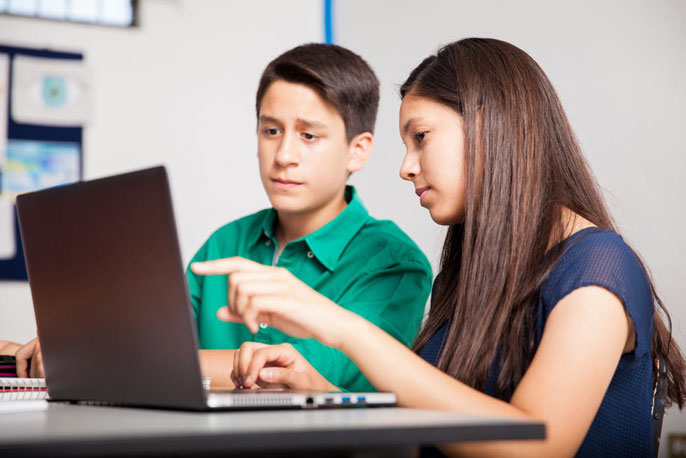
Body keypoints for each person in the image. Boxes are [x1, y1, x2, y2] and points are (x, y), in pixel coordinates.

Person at [193, 38, 686, 456]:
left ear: (492, 125)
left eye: (421, 137)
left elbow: (537, 445)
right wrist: (320, 391)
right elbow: (435, 426)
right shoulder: (479, 275)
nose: (406, 167)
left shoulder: (598, 268)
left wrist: (340, 327)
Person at [4, 43, 433, 392]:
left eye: (308, 135)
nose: (284, 155)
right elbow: (155, 347)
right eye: (271, 131)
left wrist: (95, 360)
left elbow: (285, 374)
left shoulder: (394, 264)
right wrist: (76, 350)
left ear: (357, 150)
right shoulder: (227, 243)